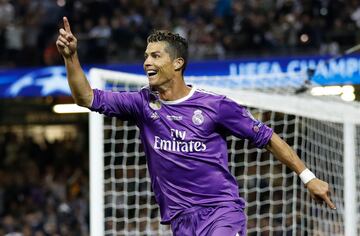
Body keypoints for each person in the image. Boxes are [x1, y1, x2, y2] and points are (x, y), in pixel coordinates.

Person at [56, 16, 336, 236]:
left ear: (177, 63)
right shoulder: (141, 103)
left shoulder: (216, 106)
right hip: (180, 220)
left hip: (221, 213)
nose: (146, 62)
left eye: (155, 56)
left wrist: (308, 177)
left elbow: (266, 136)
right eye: (146, 56)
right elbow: (86, 97)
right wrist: (71, 57)